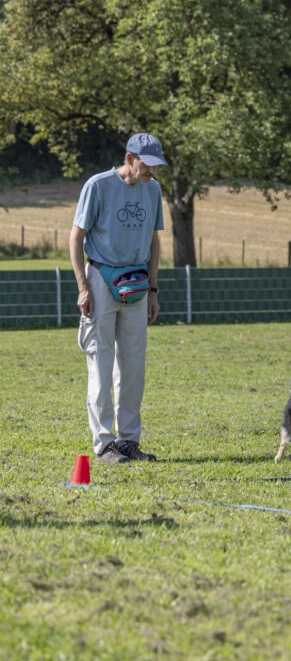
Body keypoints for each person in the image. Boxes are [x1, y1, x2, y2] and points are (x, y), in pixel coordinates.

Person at [70, 132, 166, 463]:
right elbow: (76, 236)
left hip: (137, 282)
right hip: (100, 276)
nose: (152, 172)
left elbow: (154, 242)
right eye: (147, 165)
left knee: (133, 365)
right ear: (129, 158)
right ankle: (104, 443)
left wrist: (153, 289)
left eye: (156, 166)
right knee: (100, 361)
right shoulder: (97, 186)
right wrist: (83, 286)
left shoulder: (153, 190)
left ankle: (128, 440)